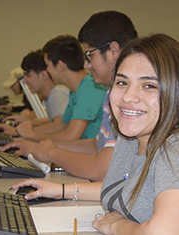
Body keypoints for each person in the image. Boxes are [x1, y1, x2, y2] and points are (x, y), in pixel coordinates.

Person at [12, 34, 179, 235]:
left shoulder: (173, 149)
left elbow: (162, 232)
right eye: (122, 82)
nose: (127, 96)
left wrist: (115, 225)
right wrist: (61, 190)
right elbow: (123, 188)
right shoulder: (130, 138)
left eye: (149, 85)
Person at [1, 11, 138, 181]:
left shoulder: (130, 99)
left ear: (113, 50)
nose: (86, 65)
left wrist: (48, 150)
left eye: (90, 55)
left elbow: (99, 169)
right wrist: (42, 146)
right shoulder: (111, 93)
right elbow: (97, 146)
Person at [0, 35, 108, 142]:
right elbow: (61, 125)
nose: (47, 71)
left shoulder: (90, 88)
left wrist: (31, 135)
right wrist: (20, 132)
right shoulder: (77, 90)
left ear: (60, 66)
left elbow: (70, 136)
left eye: (48, 66)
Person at [2, 49, 70, 126]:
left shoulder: (58, 95)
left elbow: (61, 129)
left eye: (28, 75)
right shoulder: (52, 94)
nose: (24, 81)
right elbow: (55, 123)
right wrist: (30, 121)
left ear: (43, 75)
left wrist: (27, 131)